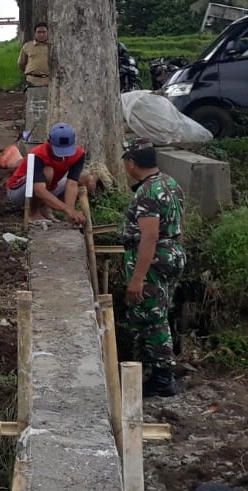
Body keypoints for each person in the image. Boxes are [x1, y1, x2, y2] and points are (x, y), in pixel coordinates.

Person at [119, 137, 186, 398]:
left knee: (152, 318)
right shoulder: (170, 183)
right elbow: (179, 226)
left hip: (153, 261)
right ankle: (149, 372)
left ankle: (162, 379)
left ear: (132, 163)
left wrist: (138, 278)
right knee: (157, 312)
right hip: (171, 256)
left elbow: (149, 237)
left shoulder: (147, 193)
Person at [4, 122, 96, 225]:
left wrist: (70, 212)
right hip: (19, 192)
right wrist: (67, 209)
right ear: (49, 142)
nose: (63, 155)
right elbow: (39, 190)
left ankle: (44, 206)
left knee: (87, 179)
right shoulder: (38, 155)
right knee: (48, 172)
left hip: (49, 186)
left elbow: (72, 184)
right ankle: (32, 213)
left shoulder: (78, 154)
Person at [18, 22, 50, 86]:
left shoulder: (54, 46)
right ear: (35, 33)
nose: (41, 34)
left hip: (50, 81)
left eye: (44, 32)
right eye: (39, 32)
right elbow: (21, 64)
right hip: (31, 81)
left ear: (48, 33)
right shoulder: (27, 46)